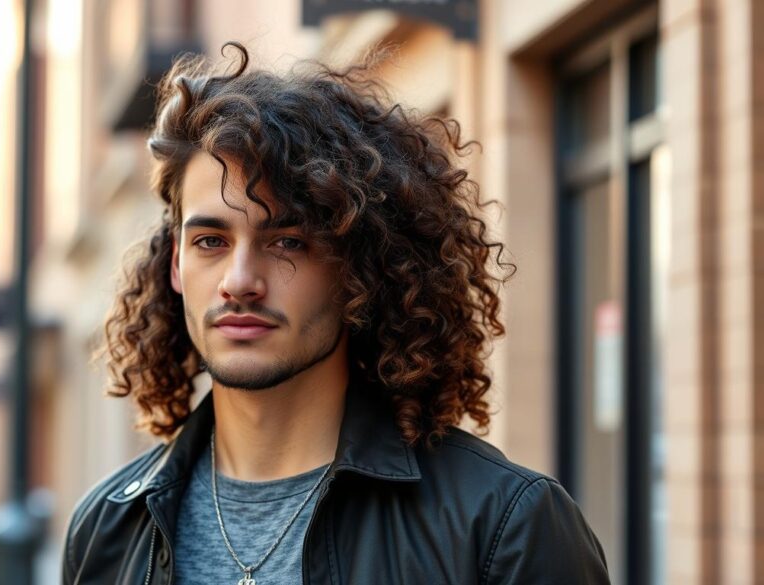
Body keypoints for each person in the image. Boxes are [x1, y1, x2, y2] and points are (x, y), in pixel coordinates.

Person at [62, 42, 610, 584]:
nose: (240, 282)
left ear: (359, 267)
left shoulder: (502, 528)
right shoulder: (107, 528)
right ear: (176, 264)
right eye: (210, 241)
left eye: (288, 242)